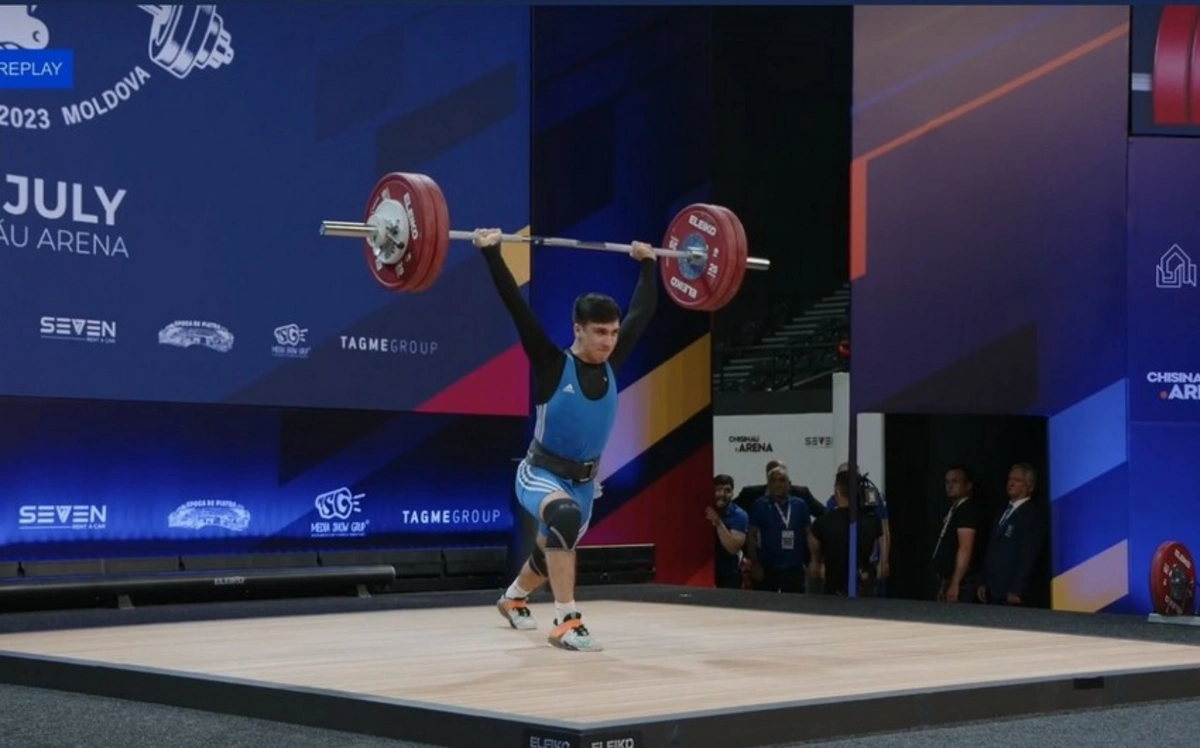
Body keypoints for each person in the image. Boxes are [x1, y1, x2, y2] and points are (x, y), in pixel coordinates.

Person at [475, 227, 658, 652]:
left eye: (612, 333)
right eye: (600, 333)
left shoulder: (614, 358)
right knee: (563, 520)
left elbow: (642, 312)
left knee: (550, 550)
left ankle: (514, 597)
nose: (609, 341)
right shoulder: (551, 363)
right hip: (538, 473)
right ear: (578, 329)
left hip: (584, 483)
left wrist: (649, 265)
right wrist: (491, 254)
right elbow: (516, 308)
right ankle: (566, 620)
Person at [708, 474, 749, 589]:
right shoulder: (703, 509)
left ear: (732, 493)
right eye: (718, 490)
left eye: (727, 490)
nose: (722, 495)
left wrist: (718, 522)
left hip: (728, 572)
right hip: (702, 569)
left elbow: (732, 548)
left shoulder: (739, 515)